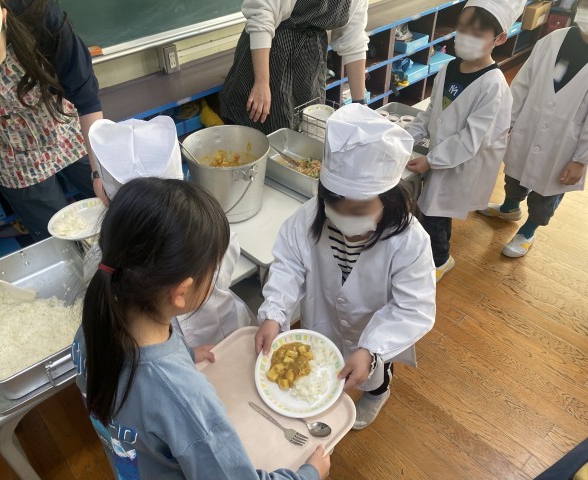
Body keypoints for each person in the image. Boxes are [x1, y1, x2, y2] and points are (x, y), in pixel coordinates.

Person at [73, 178, 330, 480]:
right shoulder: (184, 398)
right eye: (212, 271)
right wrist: (309, 474)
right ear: (181, 292)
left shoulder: (94, 324)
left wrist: (183, 353)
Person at [254, 104, 436, 430]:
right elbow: (289, 264)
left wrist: (373, 348)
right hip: (323, 319)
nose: (346, 219)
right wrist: (274, 313)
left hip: (375, 328)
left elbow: (413, 307)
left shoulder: (409, 242)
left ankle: (378, 392)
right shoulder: (309, 216)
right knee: (324, 364)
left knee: (372, 372)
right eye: (336, 207)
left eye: (360, 210)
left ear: (388, 199)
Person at [0, 0, 105, 284]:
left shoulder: (36, 10)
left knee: (113, 196)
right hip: (2, 145)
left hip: (59, 122)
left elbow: (86, 97)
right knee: (55, 238)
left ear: (4, 18)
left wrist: (100, 173)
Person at [86, 116, 255, 347]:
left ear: (108, 199)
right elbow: (226, 263)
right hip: (205, 337)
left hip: (215, 337)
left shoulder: (103, 256)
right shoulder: (205, 233)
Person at [405, 0, 523, 281]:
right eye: (462, 29)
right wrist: (405, 136)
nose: (466, 38)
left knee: (433, 213)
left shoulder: (493, 85)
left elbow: (472, 139)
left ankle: (440, 261)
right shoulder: (449, 68)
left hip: (459, 163)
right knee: (434, 209)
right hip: (442, 155)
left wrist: (431, 160)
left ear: (499, 39)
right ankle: (432, 254)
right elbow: (432, 112)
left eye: (477, 34)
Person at [479, 0, 588, 257]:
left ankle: (529, 230)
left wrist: (580, 160)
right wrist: (508, 121)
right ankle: (509, 208)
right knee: (514, 174)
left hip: (566, 144)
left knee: (546, 193)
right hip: (529, 126)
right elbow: (523, 84)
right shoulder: (554, 40)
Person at [219, 0, 368, 134]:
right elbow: (261, 16)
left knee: (306, 124)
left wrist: (360, 103)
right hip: (269, 52)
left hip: (308, 59)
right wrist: (261, 83)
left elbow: (353, 40)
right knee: (259, 124)